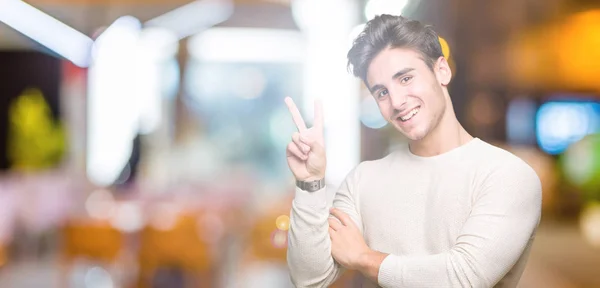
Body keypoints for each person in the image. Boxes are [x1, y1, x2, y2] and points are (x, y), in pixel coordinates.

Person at [284, 14, 542, 288]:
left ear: (442, 70)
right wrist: (310, 183)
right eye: (381, 92)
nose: (396, 101)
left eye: (405, 78)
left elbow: (463, 277)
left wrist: (364, 257)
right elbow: (309, 279)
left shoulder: (508, 176)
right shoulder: (363, 180)